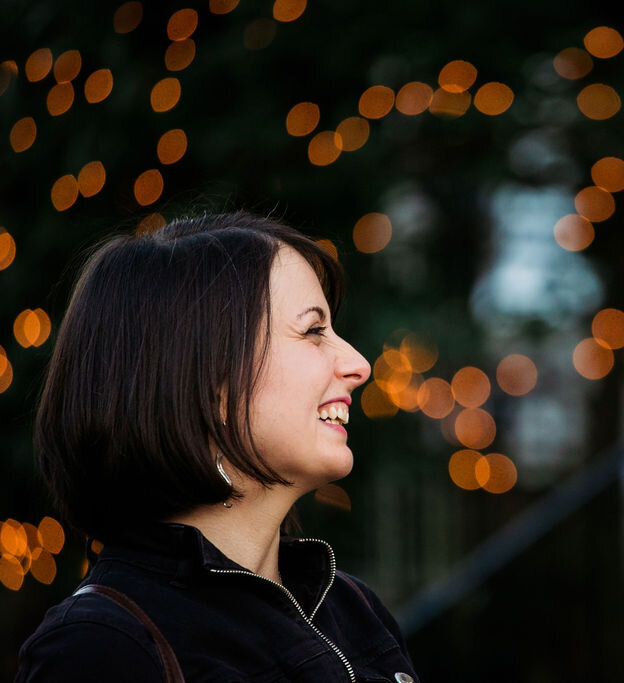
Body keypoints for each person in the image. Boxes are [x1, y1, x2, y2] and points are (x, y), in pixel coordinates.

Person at [16, 213, 419, 682]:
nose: (358, 364)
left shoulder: (351, 608)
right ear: (208, 384)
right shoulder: (101, 645)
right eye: (313, 331)